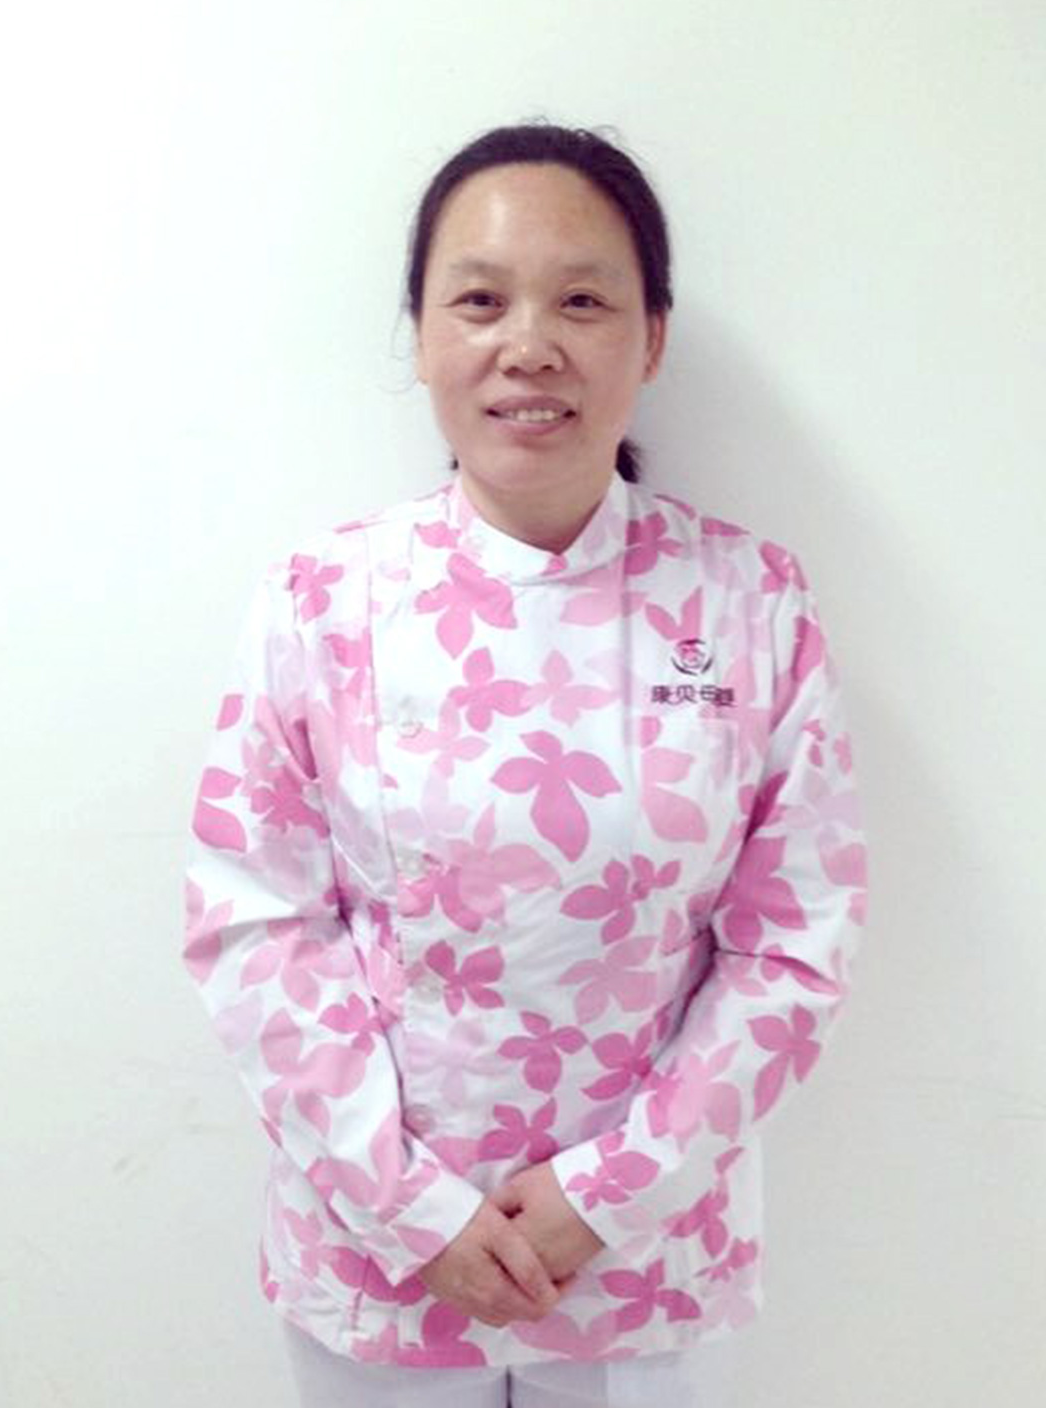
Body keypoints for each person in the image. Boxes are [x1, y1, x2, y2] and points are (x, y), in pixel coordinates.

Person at [183, 122, 867, 1407]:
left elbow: (795, 942)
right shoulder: (321, 600)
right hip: (379, 1261)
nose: (530, 344)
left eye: (584, 301)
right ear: (421, 334)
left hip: (649, 1262)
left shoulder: (750, 601)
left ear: (651, 339)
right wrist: (413, 1207)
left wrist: (610, 1193)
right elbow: (254, 925)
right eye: (481, 301)